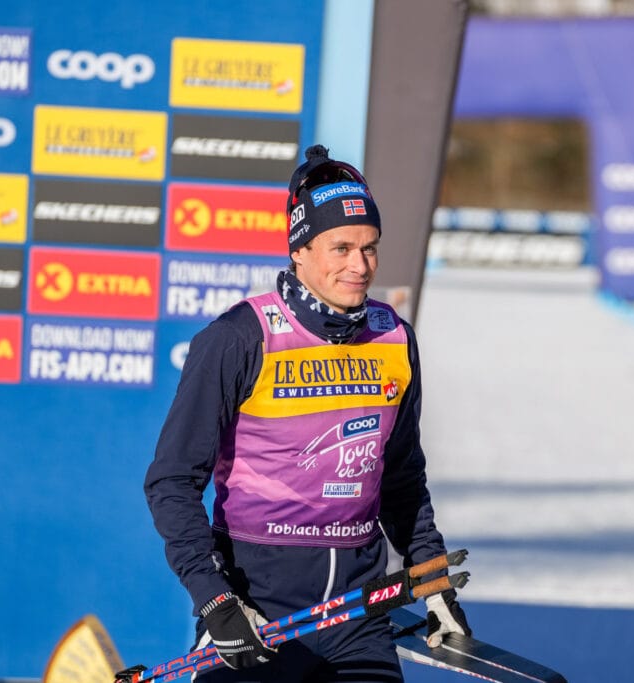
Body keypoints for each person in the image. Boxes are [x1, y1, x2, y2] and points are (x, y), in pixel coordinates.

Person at [144, 144, 470, 681]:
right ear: (299, 249)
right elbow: (172, 481)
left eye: (369, 248)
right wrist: (215, 600)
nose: (359, 265)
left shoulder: (393, 337)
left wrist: (432, 579)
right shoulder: (240, 338)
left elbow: (402, 479)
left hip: (358, 614)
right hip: (258, 611)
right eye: (341, 248)